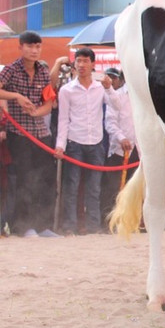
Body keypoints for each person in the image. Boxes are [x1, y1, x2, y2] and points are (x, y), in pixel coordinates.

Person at [54, 47, 119, 235]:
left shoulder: (100, 87)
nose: (81, 65)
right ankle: (70, 226)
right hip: (75, 142)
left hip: (96, 143)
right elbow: (63, 119)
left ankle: (93, 227)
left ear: (93, 64)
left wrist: (109, 88)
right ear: (74, 64)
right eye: (78, 61)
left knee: (94, 188)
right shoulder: (67, 90)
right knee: (72, 187)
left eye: (85, 61)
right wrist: (60, 145)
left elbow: (116, 105)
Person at [0, 31, 59, 237]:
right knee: (24, 180)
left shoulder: (43, 71)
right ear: (21, 47)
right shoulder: (11, 69)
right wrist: (16, 96)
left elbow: (49, 102)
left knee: (46, 180)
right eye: (30, 46)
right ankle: (23, 227)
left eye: (37, 47)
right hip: (18, 133)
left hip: (41, 133)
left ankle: (43, 226)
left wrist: (37, 111)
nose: (34, 51)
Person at [100, 70, 138, 220]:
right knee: (114, 189)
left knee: (135, 189)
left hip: (140, 150)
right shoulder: (117, 96)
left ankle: (133, 221)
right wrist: (121, 138)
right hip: (120, 150)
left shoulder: (145, 97)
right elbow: (110, 123)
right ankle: (111, 222)